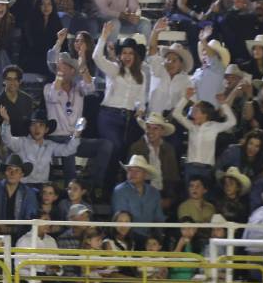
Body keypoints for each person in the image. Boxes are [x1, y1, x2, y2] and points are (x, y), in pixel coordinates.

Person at [44, 50, 112, 189]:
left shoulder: (79, 88)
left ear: (72, 71)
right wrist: (59, 76)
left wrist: (82, 67)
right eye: (58, 67)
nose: (60, 70)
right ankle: (71, 189)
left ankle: (92, 186)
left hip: (76, 138)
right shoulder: (48, 88)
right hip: (56, 138)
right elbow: (54, 97)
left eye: (64, 67)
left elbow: (90, 88)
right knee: (69, 148)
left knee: (106, 145)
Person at [93, 21, 148, 167]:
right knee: (115, 146)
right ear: (120, 55)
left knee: (125, 151)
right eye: (124, 53)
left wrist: (141, 109)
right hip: (109, 116)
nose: (127, 56)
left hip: (129, 120)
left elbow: (141, 99)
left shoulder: (141, 75)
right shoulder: (114, 69)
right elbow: (97, 58)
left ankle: (112, 178)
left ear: (135, 56)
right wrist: (103, 37)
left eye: (130, 53)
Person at [0, 108, 80, 185]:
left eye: (41, 125)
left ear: (46, 129)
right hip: (25, 186)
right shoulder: (21, 142)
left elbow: (67, 150)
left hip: (42, 187)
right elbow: (7, 139)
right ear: (29, 127)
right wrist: (6, 122)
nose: (37, 129)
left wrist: (76, 135)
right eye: (33, 124)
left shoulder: (50, 145)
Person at [128, 113, 181, 210]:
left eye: (155, 128)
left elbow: (173, 176)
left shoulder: (169, 149)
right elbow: (132, 176)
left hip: (163, 194)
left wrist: (169, 199)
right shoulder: (137, 148)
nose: (150, 131)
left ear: (162, 131)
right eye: (148, 127)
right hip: (143, 194)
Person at [112, 155, 166, 236]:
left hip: (149, 237)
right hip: (127, 237)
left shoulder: (154, 192)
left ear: (145, 174)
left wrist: (157, 237)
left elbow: (159, 218)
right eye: (130, 170)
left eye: (137, 171)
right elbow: (122, 220)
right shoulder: (120, 191)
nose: (132, 174)